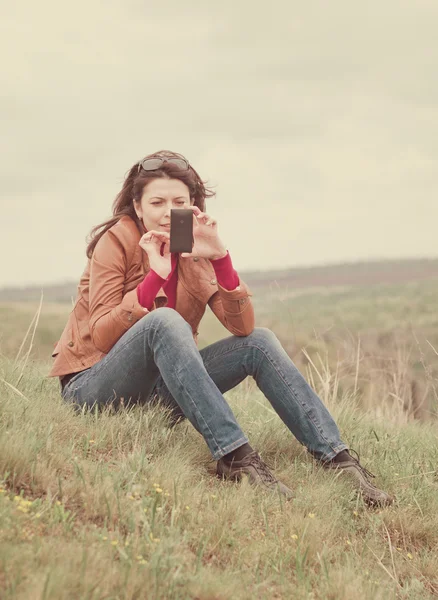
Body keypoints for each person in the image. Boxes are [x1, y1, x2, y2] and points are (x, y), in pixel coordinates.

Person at [48, 150, 394, 506]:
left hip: (156, 396)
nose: (168, 210)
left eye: (179, 200)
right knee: (164, 321)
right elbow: (103, 335)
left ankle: (337, 459)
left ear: (193, 205)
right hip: (92, 391)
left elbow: (243, 327)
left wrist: (220, 257)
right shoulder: (116, 240)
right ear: (137, 206)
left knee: (260, 342)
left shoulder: (193, 250)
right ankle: (235, 458)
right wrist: (156, 276)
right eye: (157, 201)